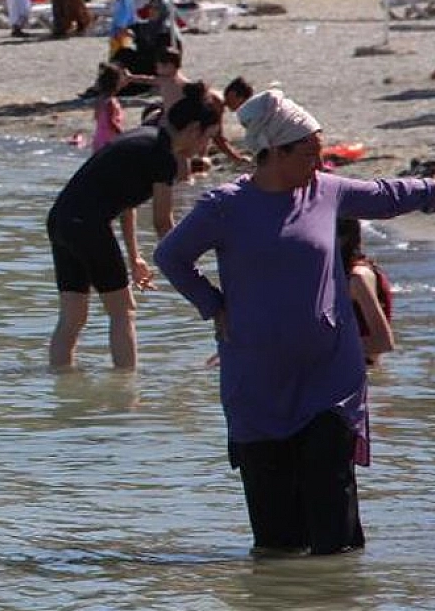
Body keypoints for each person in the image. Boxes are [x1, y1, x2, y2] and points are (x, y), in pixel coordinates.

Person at [154, 90, 435, 555]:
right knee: (277, 544)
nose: (318, 162)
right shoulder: (225, 206)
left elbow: (389, 195)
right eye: (308, 153)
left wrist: (431, 189)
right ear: (274, 153)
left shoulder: (328, 190)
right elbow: (172, 256)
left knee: (335, 535)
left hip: (329, 379)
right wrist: (214, 305)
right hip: (257, 384)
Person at [46, 82, 222, 370]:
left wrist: (135, 257)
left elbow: (125, 203)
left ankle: (61, 382)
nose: (206, 148)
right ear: (193, 129)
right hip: (88, 225)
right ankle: (127, 392)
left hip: (60, 220)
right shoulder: (163, 156)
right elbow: (163, 223)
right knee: (122, 311)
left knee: (72, 316)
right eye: (208, 138)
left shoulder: (146, 139)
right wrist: (190, 265)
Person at [339, 218, 394, 366]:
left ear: (343, 238)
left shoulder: (358, 277)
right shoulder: (347, 272)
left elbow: (383, 342)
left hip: (360, 371)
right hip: (354, 368)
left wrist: (321, 348)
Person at [91, 63, 131, 153]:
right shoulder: (111, 102)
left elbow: (97, 117)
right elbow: (111, 122)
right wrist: (123, 135)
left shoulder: (100, 99)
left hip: (99, 138)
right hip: (108, 140)